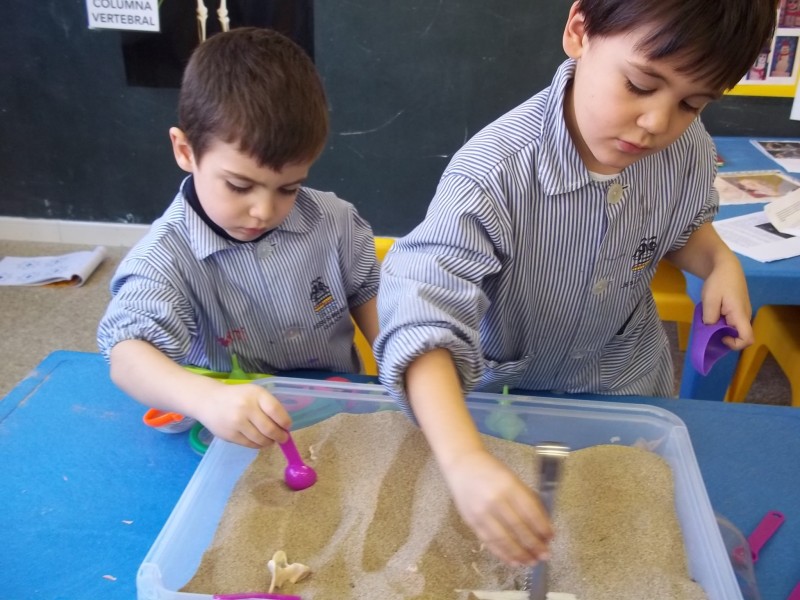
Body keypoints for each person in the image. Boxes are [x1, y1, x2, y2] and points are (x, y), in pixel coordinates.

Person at [376, 0, 775, 568]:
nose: (657, 123)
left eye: (691, 103)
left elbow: (686, 226)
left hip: (628, 392)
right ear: (579, 31)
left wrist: (719, 263)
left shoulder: (683, 148)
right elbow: (421, 315)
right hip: (503, 413)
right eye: (640, 85)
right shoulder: (493, 174)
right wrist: (463, 459)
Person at [97, 27, 379, 450]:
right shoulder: (165, 258)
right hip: (236, 435)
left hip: (341, 420)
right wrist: (206, 399)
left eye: (289, 188)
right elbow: (127, 355)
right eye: (239, 186)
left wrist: (405, 367)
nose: (264, 210)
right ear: (185, 151)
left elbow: (374, 302)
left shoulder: (335, 221)